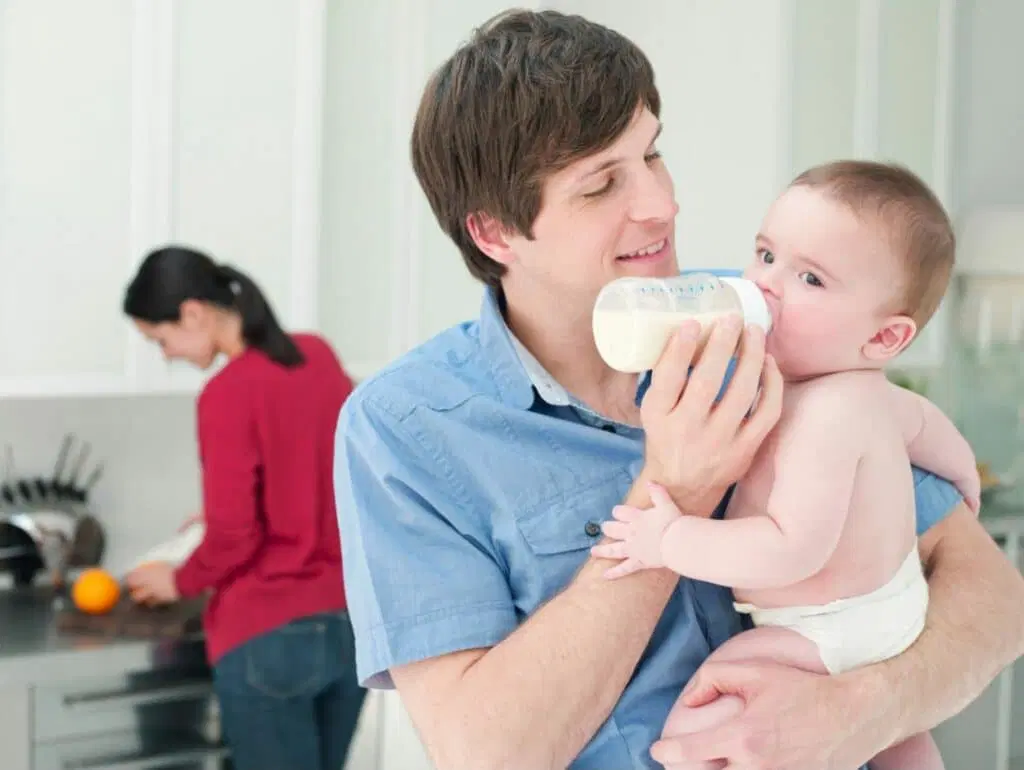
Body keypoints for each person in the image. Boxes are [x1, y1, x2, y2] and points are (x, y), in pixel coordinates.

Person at [333, 10, 1024, 770]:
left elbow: (994, 599)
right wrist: (675, 491)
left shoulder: (772, 326)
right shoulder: (406, 426)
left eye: (652, 154)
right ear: (495, 233)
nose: (660, 203)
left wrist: (864, 708)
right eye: (601, 185)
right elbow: (488, 754)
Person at [593, 160, 981, 770]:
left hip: (829, 630)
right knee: (899, 739)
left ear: (884, 339)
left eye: (811, 279)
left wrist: (670, 538)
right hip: (890, 607)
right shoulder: (869, 393)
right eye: (766, 255)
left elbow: (790, 548)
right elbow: (931, 430)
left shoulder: (828, 416)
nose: (767, 284)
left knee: (714, 695)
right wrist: (964, 478)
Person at [122, 246, 365, 770]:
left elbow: (236, 536)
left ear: (193, 313)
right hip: (350, 627)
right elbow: (329, 477)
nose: (165, 355)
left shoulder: (225, 393)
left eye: (160, 340)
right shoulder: (317, 355)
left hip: (268, 637)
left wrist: (180, 580)